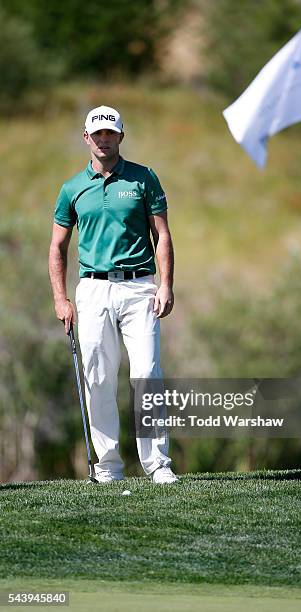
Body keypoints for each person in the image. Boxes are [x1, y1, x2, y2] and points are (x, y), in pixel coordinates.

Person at [48, 105, 178, 484]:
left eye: (111, 133)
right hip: (92, 290)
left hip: (140, 287)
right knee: (98, 377)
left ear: (121, 136)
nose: (104, 139)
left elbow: (163, 236)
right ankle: (108, 466)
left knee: (147, 373)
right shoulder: (72, 188)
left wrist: (166, 284)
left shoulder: (143, 178)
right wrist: (61, 298)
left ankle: (157, 464)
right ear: (86, 138)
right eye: (97, 133)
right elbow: (57, 247)